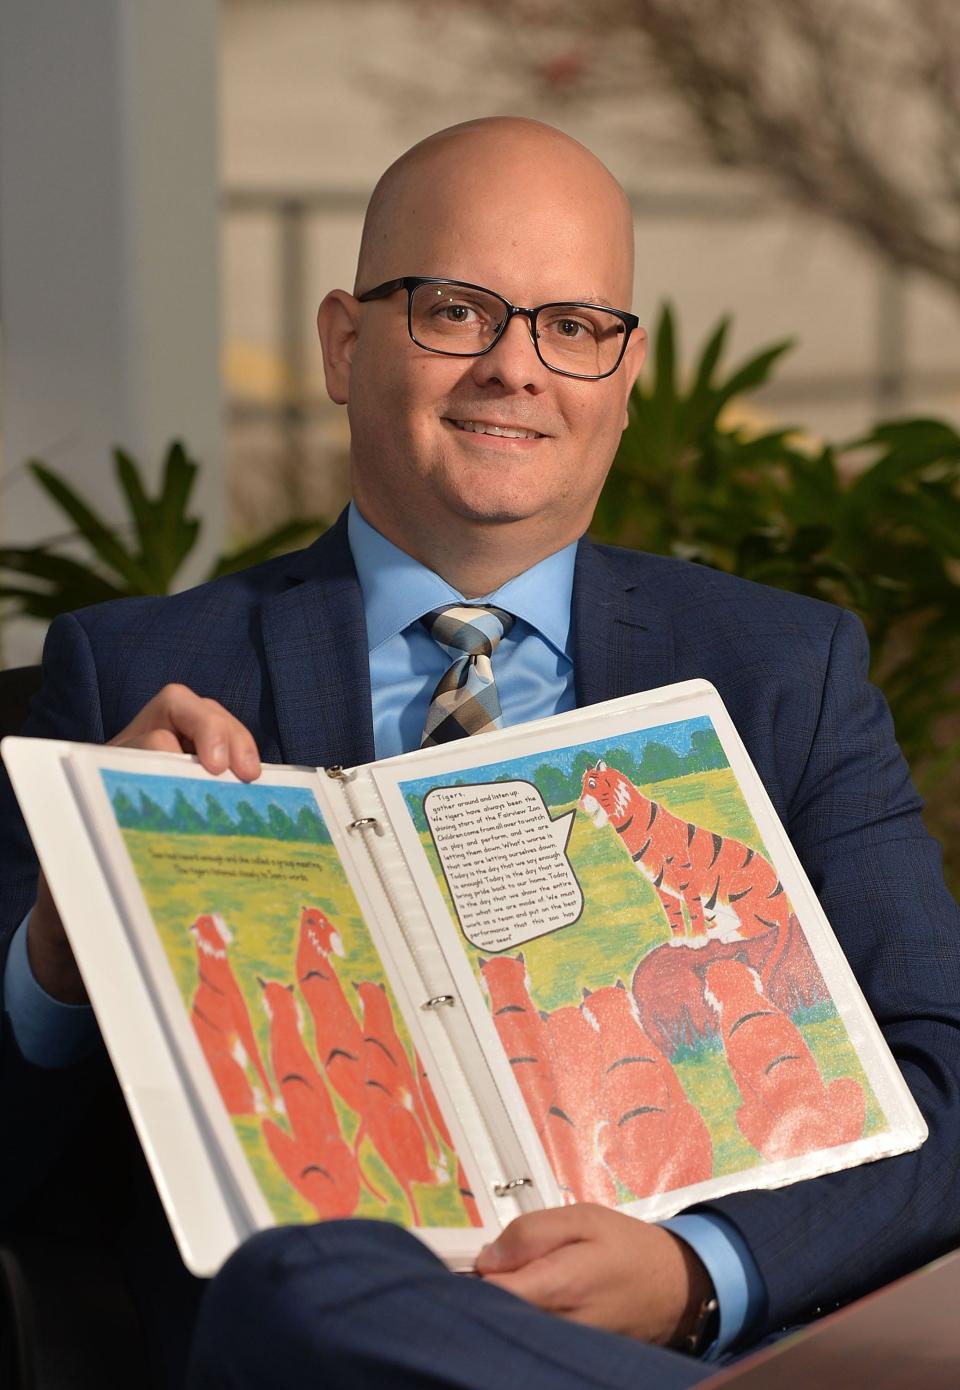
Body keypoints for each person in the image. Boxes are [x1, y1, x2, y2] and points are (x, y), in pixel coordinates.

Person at [1, 117, 958, 1390]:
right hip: (333, 1345)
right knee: (309, 1264)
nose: (516, 367)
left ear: (626, 375)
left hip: (705, 1344)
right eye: (455, 308)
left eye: (573, 325)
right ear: (346, 344)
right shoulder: (133, 679)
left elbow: (943, 1078)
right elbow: (22, 1180)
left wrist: (696, 1274)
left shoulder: (787, 670)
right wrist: (71, 945)